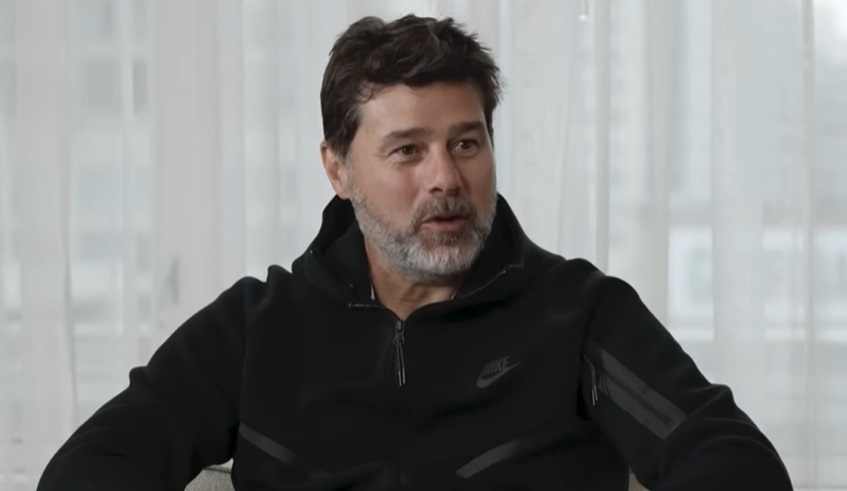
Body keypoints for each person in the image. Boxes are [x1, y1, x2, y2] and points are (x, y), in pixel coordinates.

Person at [38, 14, 793, 491]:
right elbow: (92, 466)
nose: (445, 179)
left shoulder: (580, 313)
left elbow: (731, 461)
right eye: (407, 150)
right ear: (337, 169)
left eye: (466, 143)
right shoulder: (258, 326)